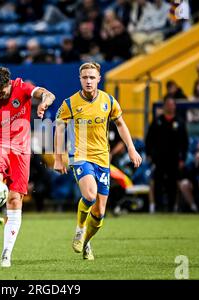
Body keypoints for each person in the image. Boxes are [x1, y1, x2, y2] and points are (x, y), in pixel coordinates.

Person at [53, 62, 142, 260]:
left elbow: (120, 124)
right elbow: (59, 129)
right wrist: (59, 158)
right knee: (90, 195)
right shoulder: (69, 103)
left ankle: (86, 243)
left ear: (99, 79)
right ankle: (79, 229)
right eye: (85, 77)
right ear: (80, 79)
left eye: (92, 77)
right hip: (80, 156)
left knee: (100, 213)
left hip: (102, 159)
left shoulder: (109, 101)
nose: (88, 81)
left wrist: (131, 148)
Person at [0, 67, 55, 267]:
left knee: (14, 200)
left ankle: (6, 253)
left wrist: (45, 102)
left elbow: (48, 94)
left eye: (1, 92)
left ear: (9, 84)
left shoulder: (22, 89)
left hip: (21, 151)